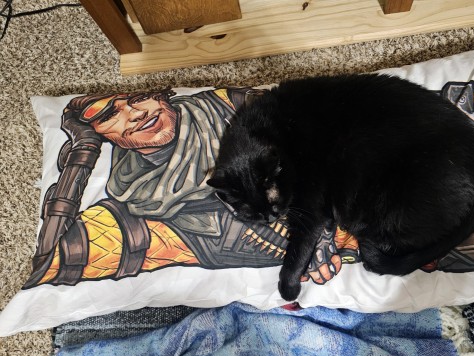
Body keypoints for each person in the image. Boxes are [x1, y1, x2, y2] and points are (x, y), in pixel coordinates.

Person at [25, 88, 358, 288]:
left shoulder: (230, 107)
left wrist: (321, 231)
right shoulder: (130, 201)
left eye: (139, 99)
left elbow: (314, 145)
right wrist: (82, 152)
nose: (136, 113)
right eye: (111, 115)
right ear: (100, 133)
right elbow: (52, 255)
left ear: (161, 98)